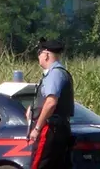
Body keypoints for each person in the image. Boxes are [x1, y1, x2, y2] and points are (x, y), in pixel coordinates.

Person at [26, 38, 75, 169]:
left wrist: (37, 128)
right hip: (58, 127)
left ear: (46, 55)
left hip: (49, 128)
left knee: (39, 165)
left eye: (39, 53)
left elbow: (51, 102)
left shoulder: (55, 74)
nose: (38, 57)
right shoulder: (59, 73)